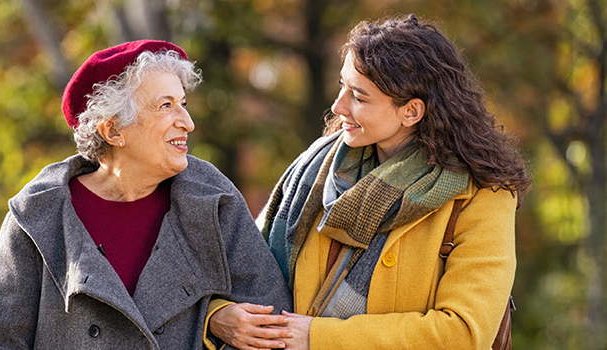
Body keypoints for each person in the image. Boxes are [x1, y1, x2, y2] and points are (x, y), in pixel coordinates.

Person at [209, 14, 531, 349]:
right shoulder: (317, 170)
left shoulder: (482, 196)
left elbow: (462, 333)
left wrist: (319, 338)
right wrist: (219, 315)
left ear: (411, 111)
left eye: (359, 97)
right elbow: (244, 271)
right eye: (341, 85)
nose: (338, 106)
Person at [0, 40, 291, 349]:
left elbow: (271, 322)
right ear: (114, 130)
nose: (188, 123)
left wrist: (212, 316)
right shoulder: (39, 215)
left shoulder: (213, 200)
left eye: (183, 104)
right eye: (166, 106)